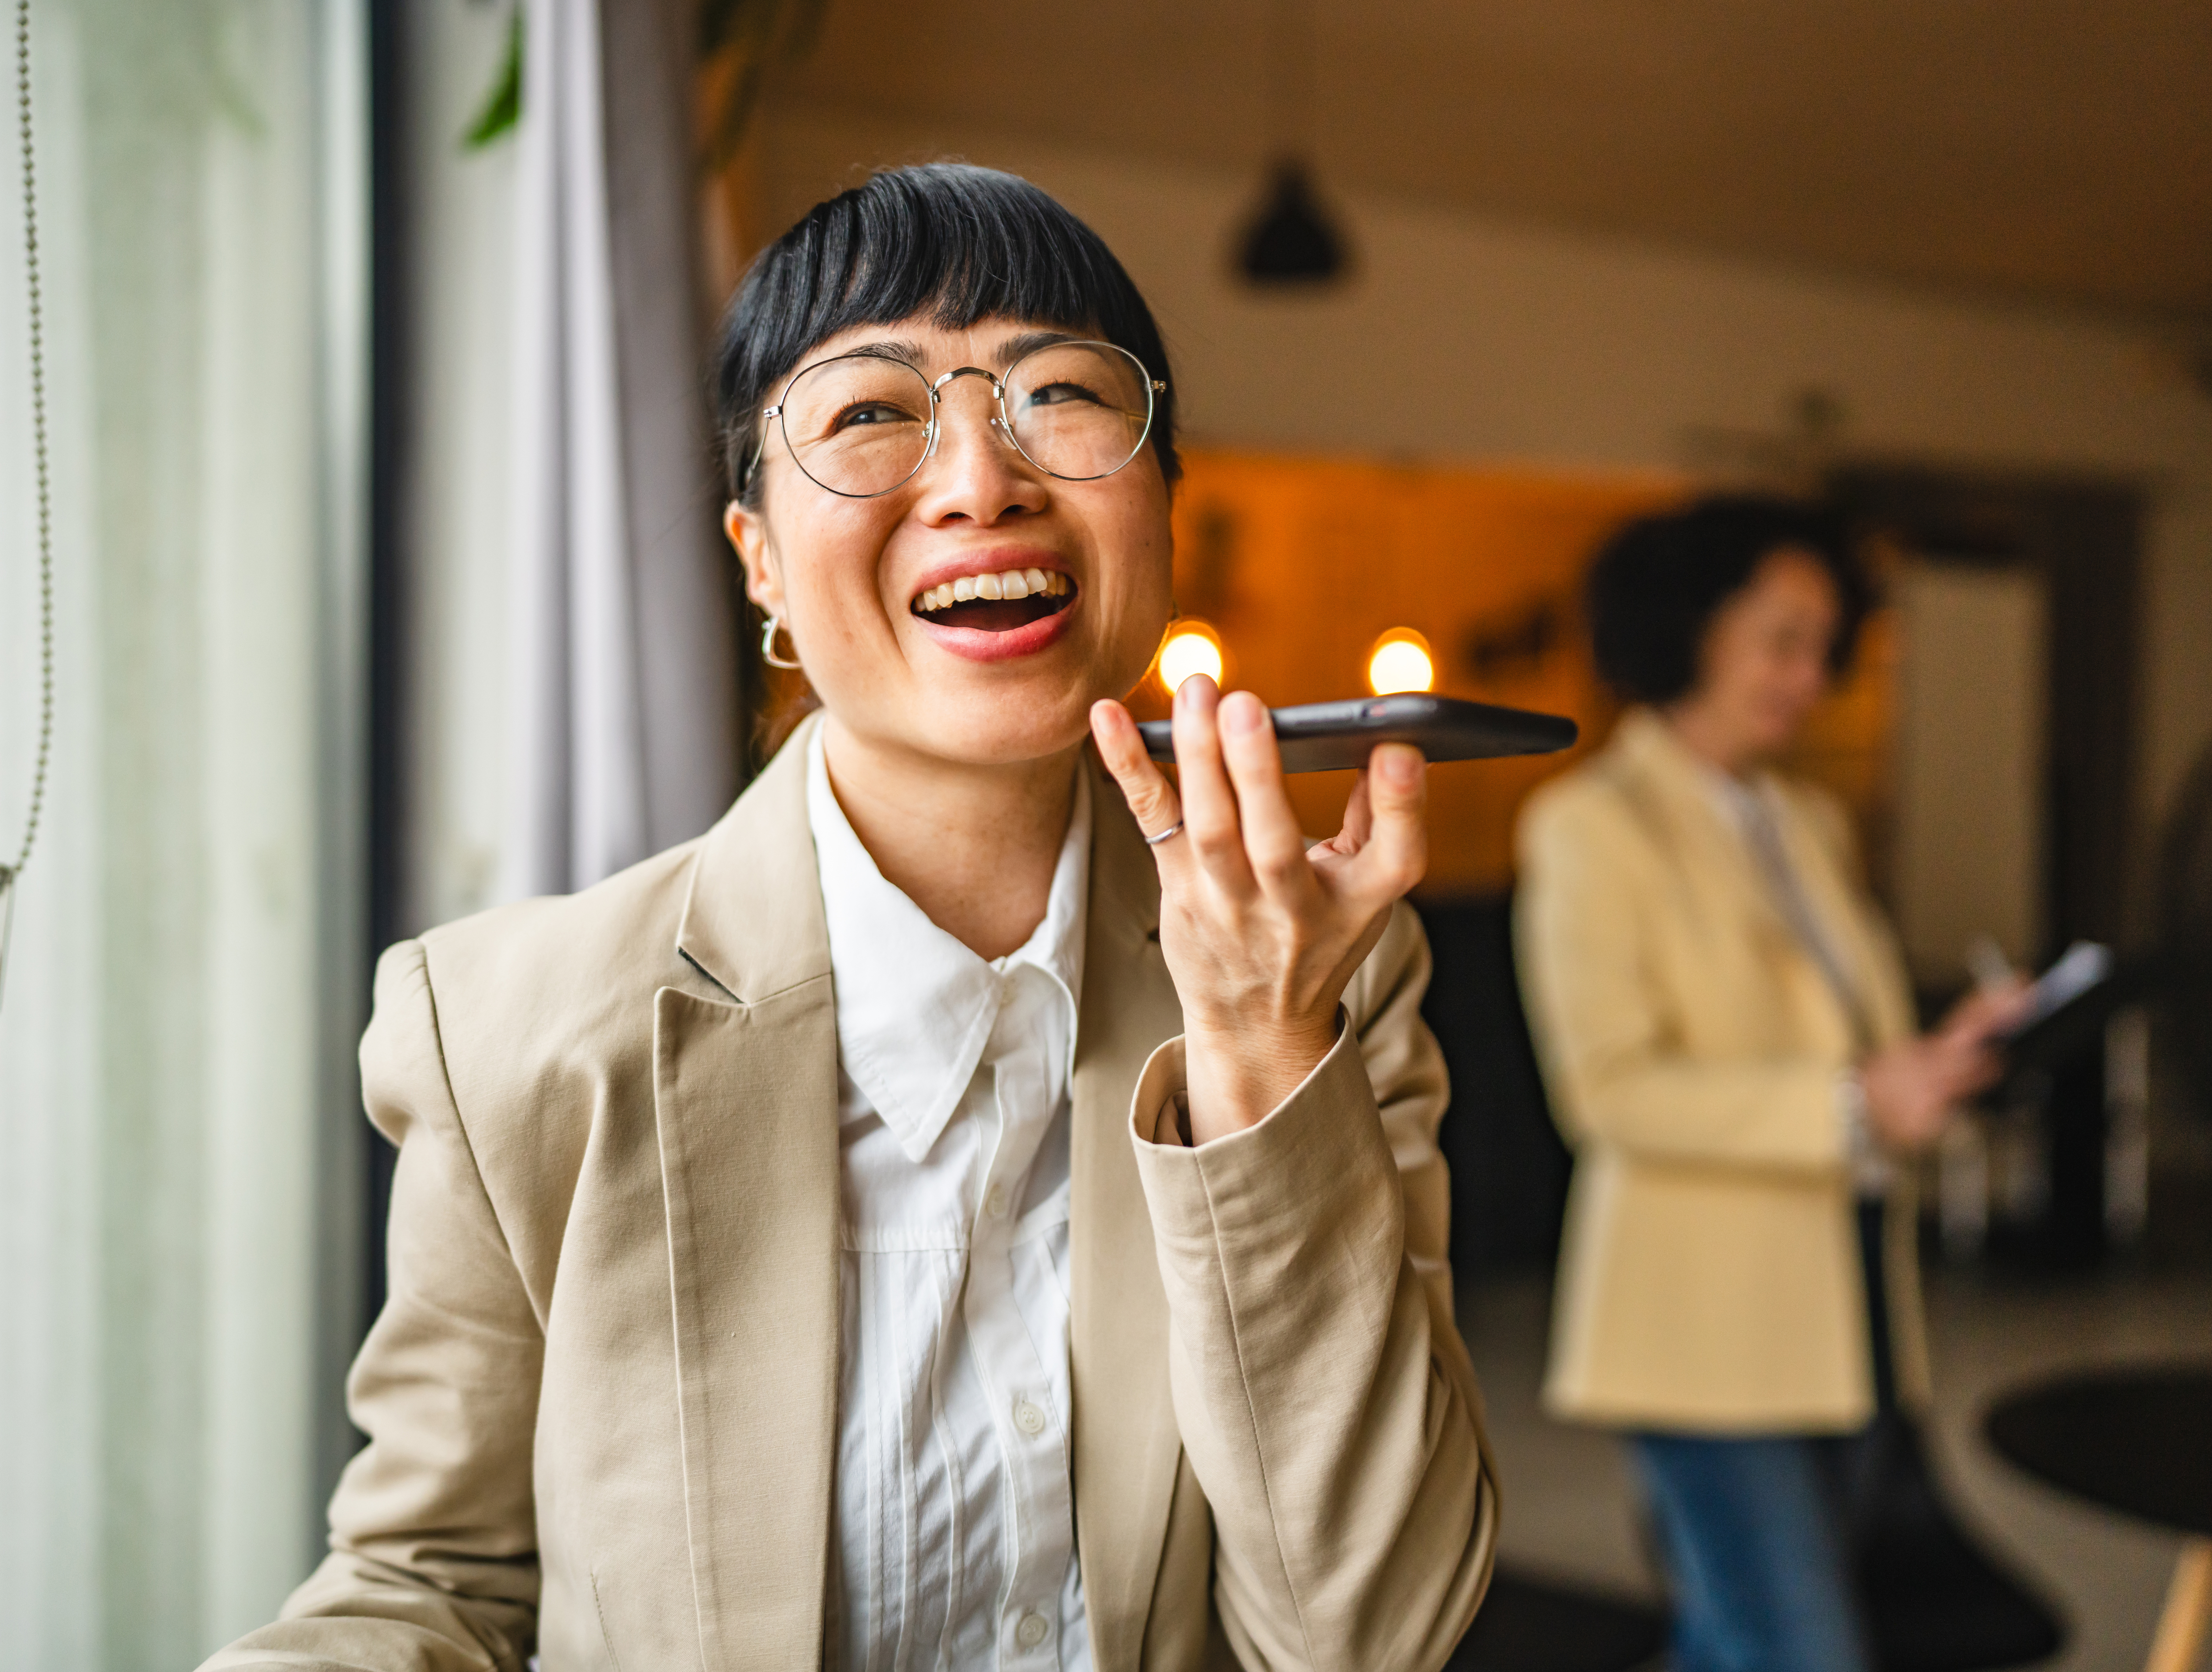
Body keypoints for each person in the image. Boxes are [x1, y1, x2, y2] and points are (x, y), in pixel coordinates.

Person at [202, 165, 1496, 1672]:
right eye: (871, 411)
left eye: (1061, 395)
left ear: (1162, 508)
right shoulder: (511, 1030)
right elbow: (430, 1586)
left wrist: (1261, 1048)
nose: (980, 482)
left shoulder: (1327, 975)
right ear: (756, 557)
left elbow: (1367, 1639)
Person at [1512, 497, 2025, 1672]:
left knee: (1735, 1641)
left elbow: (1843, 1043)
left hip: (1848, 1302)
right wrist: (1854, 1103)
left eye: (1823, 647)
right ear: (1688, 627)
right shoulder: (1592, 826)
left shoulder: (1805, 822)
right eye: (1781, 641)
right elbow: (1608, 1091)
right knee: (1800, 1650)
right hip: (1700, 1331)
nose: (1810, 678)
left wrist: (1944, 1056)